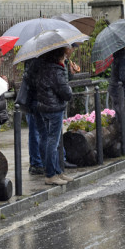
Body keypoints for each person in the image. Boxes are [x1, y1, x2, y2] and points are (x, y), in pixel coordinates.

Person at [36, 47, 74, 185]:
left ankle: (57, 171)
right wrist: (68, 86)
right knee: (53, 141)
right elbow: (66, 93)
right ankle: (51, 174)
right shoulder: (56, 71)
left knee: (49, 139)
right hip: (54, 108)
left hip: (44, 107)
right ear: (59, 57)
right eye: (64, 55)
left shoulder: (43, 67)